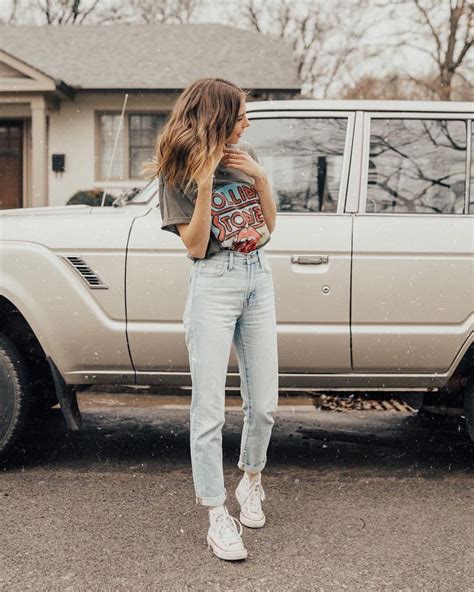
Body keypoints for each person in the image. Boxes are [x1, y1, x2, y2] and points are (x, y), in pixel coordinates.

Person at [150, 77, 278, 561]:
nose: (247, 122)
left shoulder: (246, 160)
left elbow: (268, 229)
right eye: (241, 115)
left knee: (263, 403)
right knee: (209, 410)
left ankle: (251, 479)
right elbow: (195, 245)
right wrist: (204, 185)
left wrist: (260, 179)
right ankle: (215, 514)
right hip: (213, 281)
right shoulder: (177, 170)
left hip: (257, 276)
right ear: (218, 117)